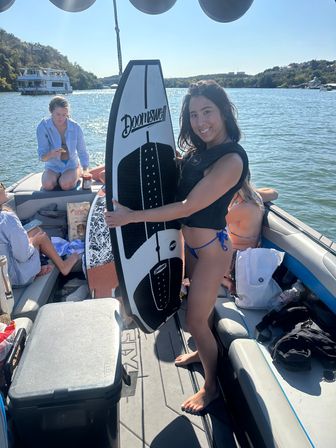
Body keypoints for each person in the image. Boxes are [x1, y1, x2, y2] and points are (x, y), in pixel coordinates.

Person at [105, 80, 249, 414]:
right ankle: (202, 351)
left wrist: (132, 218)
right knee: (200, 311)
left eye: (208, 112)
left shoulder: (231, 160)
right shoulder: (201, 151)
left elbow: (187, 206)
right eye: (194, 115)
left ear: (224, 112)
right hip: (192, 245)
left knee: (194, 322)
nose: (201, 122)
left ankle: (212, 388)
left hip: (212, 249)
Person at [0, 182, 79, 287]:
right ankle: (63, 266)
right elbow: (23, 256)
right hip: (14, 280)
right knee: (38, 233)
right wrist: (33, 241)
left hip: (3, 279)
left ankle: (40, 264)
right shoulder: (7, 219)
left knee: (32, 231)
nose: (3, 186)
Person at [221, 176, 278, 291]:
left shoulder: (240, 208)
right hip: (250, 255)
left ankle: (225, 281)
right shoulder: (254, 198)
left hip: (236, 261)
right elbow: (274, 193)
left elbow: (210, 223)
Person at [36, 96, 90, 191]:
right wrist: (51, 154)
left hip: (71, 165)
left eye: (64, 115)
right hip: (52, 166)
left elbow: (82, 150)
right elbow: (42, 157)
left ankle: (77, 170)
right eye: (58, 114)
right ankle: (58, 178)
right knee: (47, 185)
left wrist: (85, 169)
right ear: (51, 111)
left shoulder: (75, 127)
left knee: (65, 185)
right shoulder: (42, 127)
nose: (61, 118)